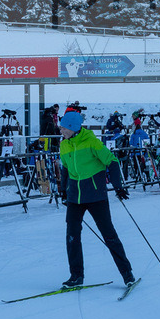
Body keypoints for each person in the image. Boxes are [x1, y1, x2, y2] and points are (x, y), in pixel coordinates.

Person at [57, 109, 135, 288]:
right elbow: (66, 169)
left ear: (73, 127)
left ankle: (127, 274)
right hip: (75, 198)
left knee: (109, 235)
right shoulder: (64, 145)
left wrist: (118, 186)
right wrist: (63, 190)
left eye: (63, 128)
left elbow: (112, 162)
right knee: (72, 236)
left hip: (95, 196)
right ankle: (76, 276)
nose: (61, 130)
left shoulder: (91, 142)